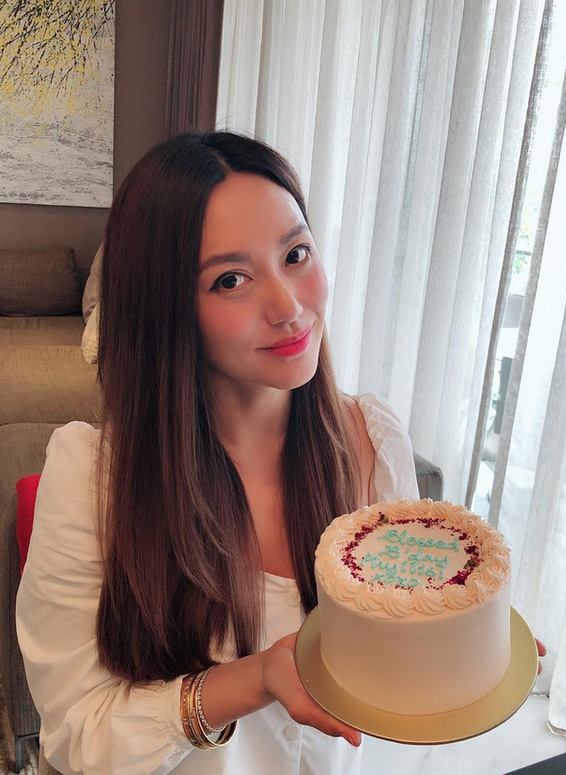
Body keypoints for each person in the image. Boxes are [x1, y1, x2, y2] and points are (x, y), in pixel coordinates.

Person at [16, 131, 421, 775]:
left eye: (295, 253)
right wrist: (253, 680)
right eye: (231, 280)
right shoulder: (94, 479)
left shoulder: (374, 441)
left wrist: (455, 640)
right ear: (166, 307)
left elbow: (396, 638)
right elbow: (77, 735)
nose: (288, 307)